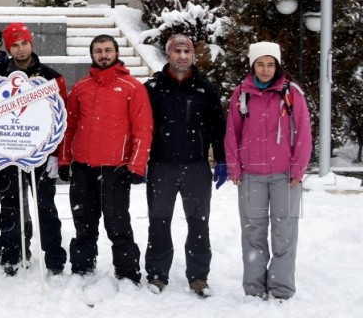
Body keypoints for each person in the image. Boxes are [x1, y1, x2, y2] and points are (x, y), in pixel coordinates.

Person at [57, 35, 152, 283]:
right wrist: (65, 160)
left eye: (108, 50)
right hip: (83, 168)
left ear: (116, 52)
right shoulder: (81, 87)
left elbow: (142, 129)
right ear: (92, 55)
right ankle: (82, 267)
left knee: (117, 224)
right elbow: (69, 126)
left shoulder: (133, 87)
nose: (103, 55)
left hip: (115, 169)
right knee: (83, 222)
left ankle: (127, 272)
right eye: (98, 51)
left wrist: (137, 164)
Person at [224, 42, 311, 300]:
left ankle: (281, 288)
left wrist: (298, 168)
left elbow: (303, 131)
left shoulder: (291, 93)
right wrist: (234, 168)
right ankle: (254, 288)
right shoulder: (242, 93)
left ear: (278, 65)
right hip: (251, 175)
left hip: (285, 176)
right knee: (253, 232)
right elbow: (233, 132)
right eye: (260, 64)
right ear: (253, 65)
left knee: (284, 232)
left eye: (270, 64)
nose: (265, 69)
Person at [144, 34, 227, 296]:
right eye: (177, 51)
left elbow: (218, 128)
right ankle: (158, 275)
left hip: (196, 167)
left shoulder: (206, 89)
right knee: (158, 222)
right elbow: (142, 126)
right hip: (161, 165)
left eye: (187, 51)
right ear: (168, 54)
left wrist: (222, 159)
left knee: (198, 223)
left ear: (193, 55)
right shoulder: (153, 88)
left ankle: (199, 276)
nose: (182, 55)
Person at [3, 22, 68, 275]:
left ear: (31, 43)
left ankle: (54, 259)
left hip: (41, 154)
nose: (20, 50)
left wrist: (55, 154)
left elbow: (61, 118)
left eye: (24, 43)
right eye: (15, 45)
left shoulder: (52, 76)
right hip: (12, 153)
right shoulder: (0, 77)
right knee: (13, 208)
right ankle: (16, 253)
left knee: (45, 208)